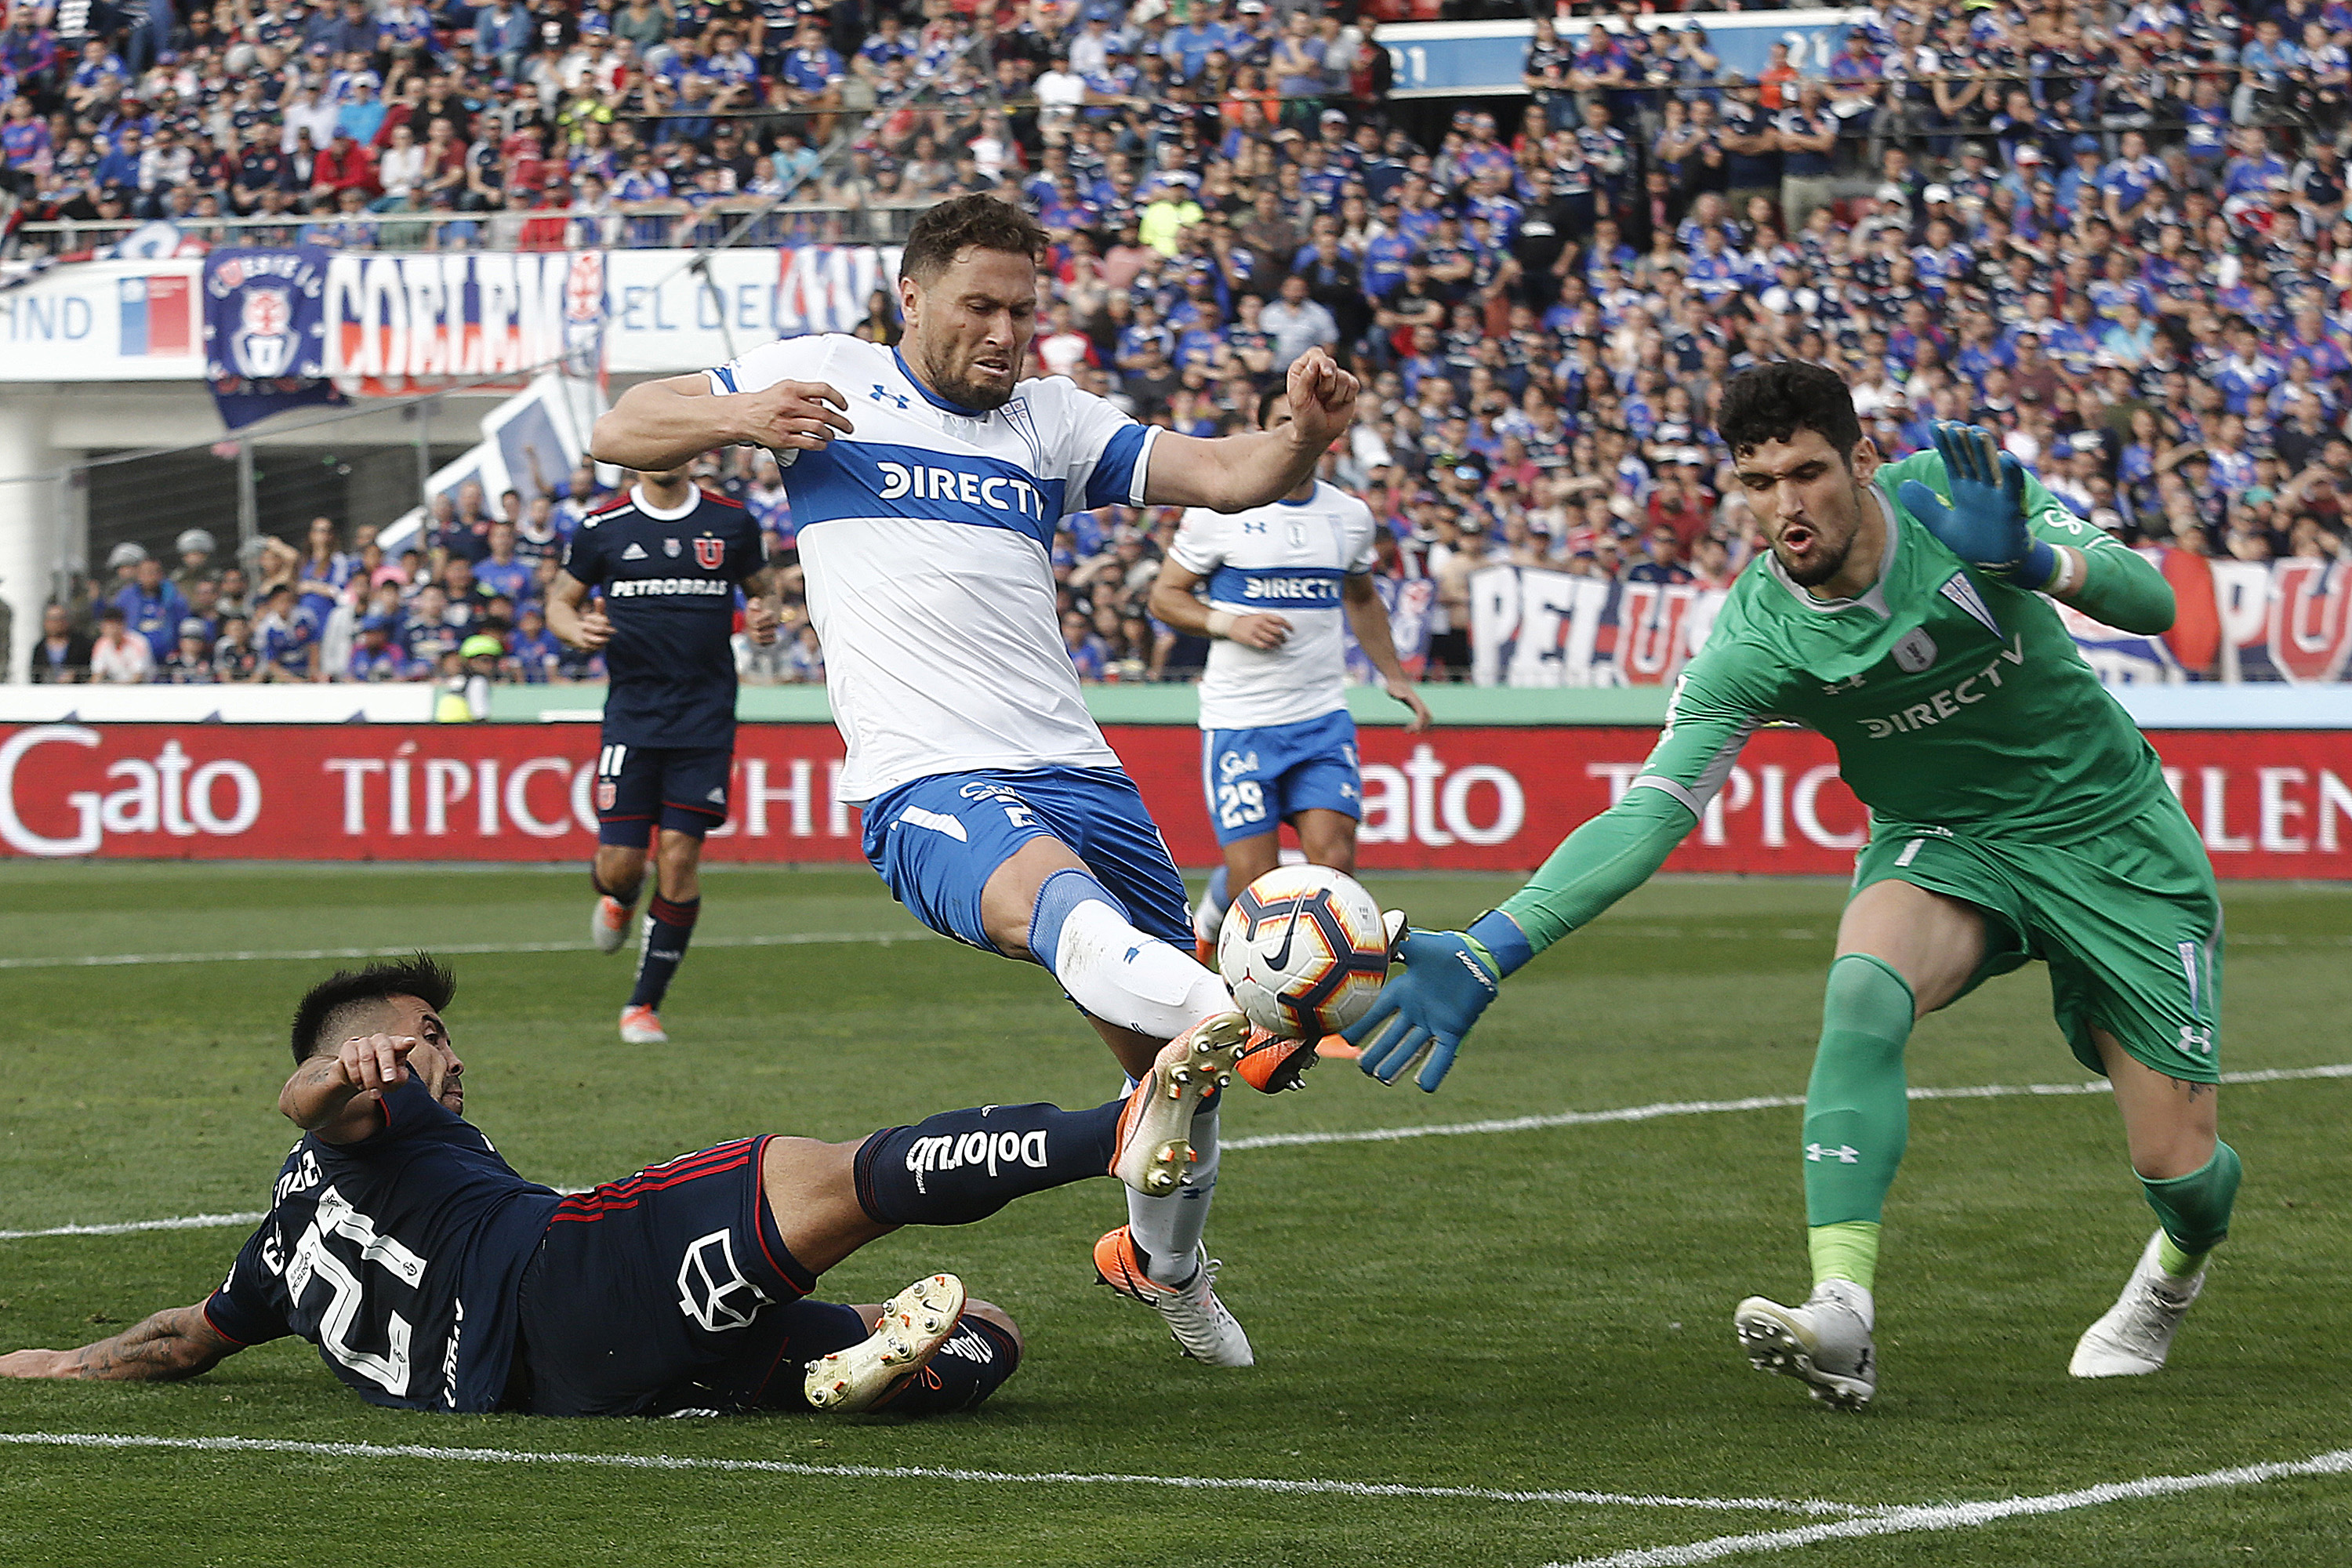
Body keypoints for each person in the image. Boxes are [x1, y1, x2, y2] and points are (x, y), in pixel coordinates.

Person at [1346, 361, 2237, 1410]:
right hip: (1946, 842)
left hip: (2112, 838)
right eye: (1757, 483)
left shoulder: (1955, 500)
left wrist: (2034, 558)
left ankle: (2173, 1274)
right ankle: (1843, 1316)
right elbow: (1652, 810)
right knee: (1862, 986)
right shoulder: (1756, 635)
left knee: (2182, 1172)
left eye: (1808, 473)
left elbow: (2157, 601)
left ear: (1862, 460)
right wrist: (1496, 942)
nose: (1784, 506)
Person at [587, 192, 1364, 1367]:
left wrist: (1304, 433)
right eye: (980, 307)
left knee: (1172, 1085)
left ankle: (1165, 1268)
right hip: (932, 778)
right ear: (913, 297)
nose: (1006, 333)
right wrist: (742, 414)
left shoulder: (1048, 420)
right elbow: (623, 425)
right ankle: (1243, 1010)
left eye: (1023, 310)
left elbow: (1224, 471)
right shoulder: (829, 377)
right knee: (1088, 928)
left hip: (1082, 772)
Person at [0, 956, 1230, 1419]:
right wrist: (342, 1075)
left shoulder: (274, 1256)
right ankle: (1117, 1129)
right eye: (429, 1032)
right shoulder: (376, 1113)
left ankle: (820, 1373)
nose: (450, 1052)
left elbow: (175, 1344)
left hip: (564, 1392)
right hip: (560, 1277)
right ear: (376, 1045)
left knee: (985, 1328)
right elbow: (310, 1105)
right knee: (825, 1174)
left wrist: (46, 1364)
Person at [1148, 385, 1432, 971]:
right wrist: (1229, 622)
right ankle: (1212, 926)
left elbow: (1362, 596)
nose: (1297, 431)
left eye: (1306, 421)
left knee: (1335, 866)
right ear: (1261, 435)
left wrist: (1393, 675)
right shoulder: (1220, 514)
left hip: (1321, 717)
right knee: (1260, 885)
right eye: (1281, 422)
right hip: (1241, 723)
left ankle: (1315, 1012)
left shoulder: (1349, 517)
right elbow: (1164, 597)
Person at [545, 461, 782, 1046]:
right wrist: (574, 631)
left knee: (679, 858)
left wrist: (765, 616)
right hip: (633, 717)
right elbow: (560, 601)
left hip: (705, 718)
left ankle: (642, 1006)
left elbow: (762, 589)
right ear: (633, 455)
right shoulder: (604, 525)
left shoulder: (730, 521)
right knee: (622, 865)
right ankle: (618, 898)